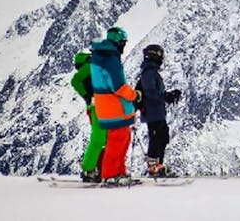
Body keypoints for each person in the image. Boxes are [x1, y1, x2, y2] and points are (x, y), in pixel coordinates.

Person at [90, 26, 141, 184]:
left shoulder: (99, 57)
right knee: (117, 141)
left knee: (121, 139)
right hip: (115, 107)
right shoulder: (111, 58)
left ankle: (119, 173)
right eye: (123, 42)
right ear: (119, 42)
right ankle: (111, 175)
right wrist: (135, 95)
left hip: (104, 106)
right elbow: (118, 86)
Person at [138, 44, 182, 177]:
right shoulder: (149, 73)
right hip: (153, 112)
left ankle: (158, 165)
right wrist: (166, 96)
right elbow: (150, 92)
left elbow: (153, 92)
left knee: (161, 137)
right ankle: (154, 167)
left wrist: (168, 95)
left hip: (155, 111)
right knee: (157, 137)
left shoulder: (150, 72)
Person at [70, 49, 108, 183]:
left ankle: (96, 169)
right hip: (98, 107)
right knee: (100, 139)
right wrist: (87, 96)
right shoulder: (89, 67)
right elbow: (75, 81)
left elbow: (76, 81)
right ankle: (91, 169)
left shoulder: (90, 68)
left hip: (96, 106)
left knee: (102, 138)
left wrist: (86, 96)